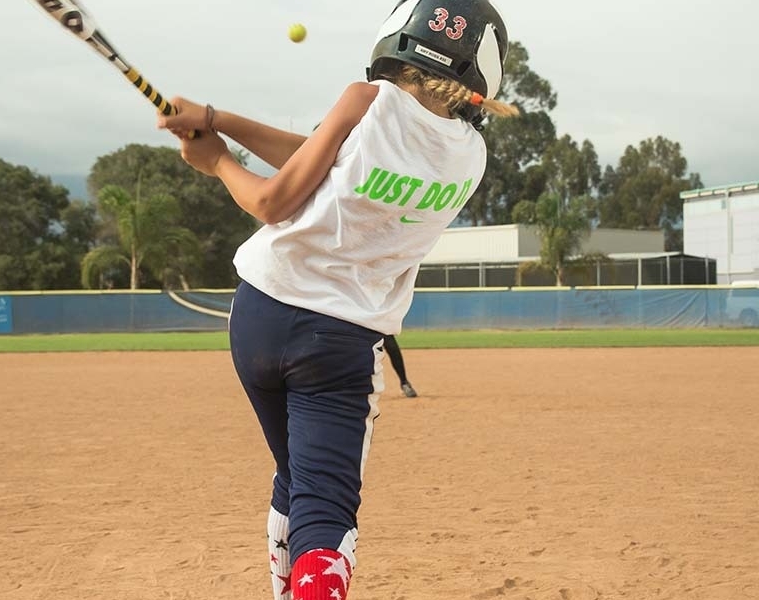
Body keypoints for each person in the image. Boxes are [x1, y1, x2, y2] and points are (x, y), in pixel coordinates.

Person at [158, 1, 517, 598]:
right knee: (323, 507)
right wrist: (219, 122)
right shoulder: (471, 156)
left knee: (295, 476)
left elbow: (276, 200)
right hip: (339, 341)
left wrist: (218, 160)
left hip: (260, 318)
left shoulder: (366, 99)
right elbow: (326, 157)